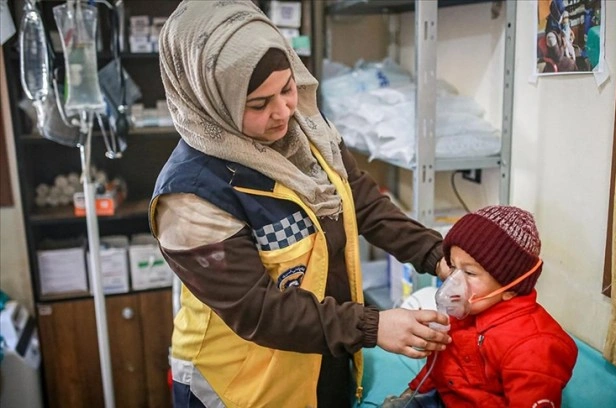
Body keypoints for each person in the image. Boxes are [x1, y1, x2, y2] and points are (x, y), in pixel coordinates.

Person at [151, 1, 451, 407]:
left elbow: (359, 202)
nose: (283, 113)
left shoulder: (307, 131)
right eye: (258, 104)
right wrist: (371, 326)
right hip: (244, 386)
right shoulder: (190, 195)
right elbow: (257, 311)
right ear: (210, 101)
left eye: (288, 88)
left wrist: (437, 254)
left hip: (320, 360)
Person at [384, 205, 578, 407]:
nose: (453, 281)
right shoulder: (466, 312)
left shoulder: (533, 348)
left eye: (470, 273)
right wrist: (412, 393)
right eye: (452, 266)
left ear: (511, 288)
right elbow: (440, 366)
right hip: (445, 398)